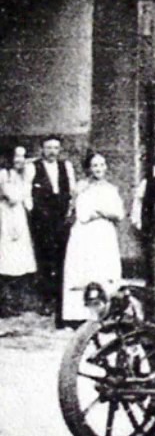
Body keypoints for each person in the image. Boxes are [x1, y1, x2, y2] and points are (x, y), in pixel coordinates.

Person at [61, 152, 125, 327]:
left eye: (102, 165)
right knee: (83, 270)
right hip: (84, 234)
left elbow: (118, 213)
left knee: (104, 269)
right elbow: (83, 214)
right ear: (88, 168)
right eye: (95, 165)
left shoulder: (111, 189)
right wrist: (103, 211)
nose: (99, 169)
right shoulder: (81, 188)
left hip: (105, 234)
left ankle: (105, 313)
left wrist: (102, 212)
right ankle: (79, 316)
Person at [25, 135, 75, 317]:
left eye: (55, 148)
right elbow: (26, 193)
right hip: (42, 220)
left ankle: (60, 299)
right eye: (48, 148)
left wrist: (69, 211)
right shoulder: (33, 167)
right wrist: (34, 214)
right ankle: (46, 300)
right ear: (42, 149)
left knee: (62, 257)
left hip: (61, 218)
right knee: (45, 259)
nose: (52, 151)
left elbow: (72, 191)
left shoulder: (66, 166)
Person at [0, 146, 37, 317]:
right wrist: (25, 184)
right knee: (5, 257)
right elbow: (13, 197)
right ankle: (4, 303)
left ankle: (15, 301)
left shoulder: (22, 175)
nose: (20, 160)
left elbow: (28, 203)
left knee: (19, 259)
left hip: (19, 216)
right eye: (17, 156)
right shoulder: (4, 175)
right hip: (6, 216)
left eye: (23, 156)